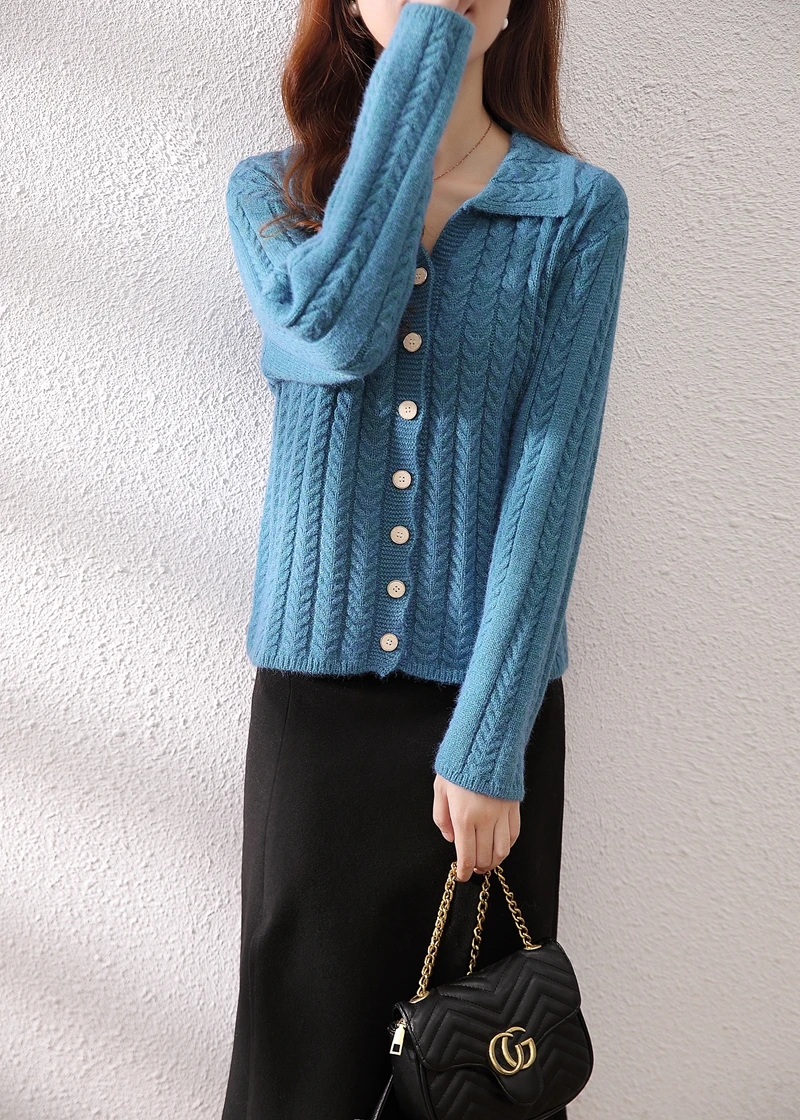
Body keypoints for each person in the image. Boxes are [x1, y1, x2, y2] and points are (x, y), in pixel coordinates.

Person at [220, 0, 629, 1116]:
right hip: (318, 716)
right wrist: (428, 54)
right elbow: (335, 333)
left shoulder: (577, 210)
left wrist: (490, 743)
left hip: (485, 712)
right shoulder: (276, 194)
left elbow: (551, 479)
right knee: (298, 1074)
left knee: (470, 1081)